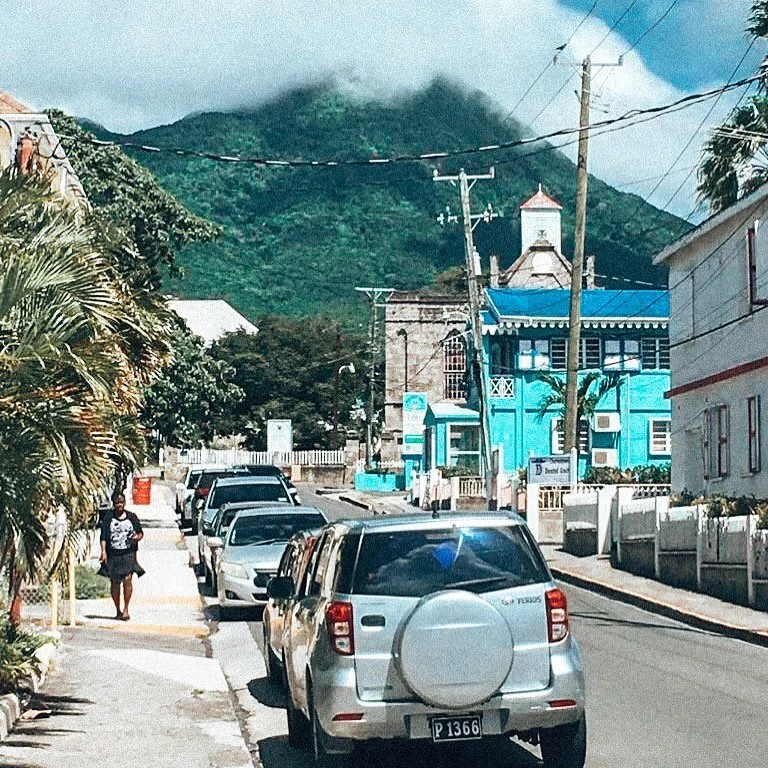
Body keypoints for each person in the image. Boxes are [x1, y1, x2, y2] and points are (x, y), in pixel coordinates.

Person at [100, 494, 144, 620]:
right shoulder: (108, 518)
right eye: (117, 503)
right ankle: (117, 609)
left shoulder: (132, 517)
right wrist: (103, 552)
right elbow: (103, 537)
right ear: (113, 504)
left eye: (122, 502)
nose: (119, 505)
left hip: (128, 553)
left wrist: (136, 538)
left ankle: (126, 609)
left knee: (128, 579)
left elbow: (140, 533)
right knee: (115, 582)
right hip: (113, 554)